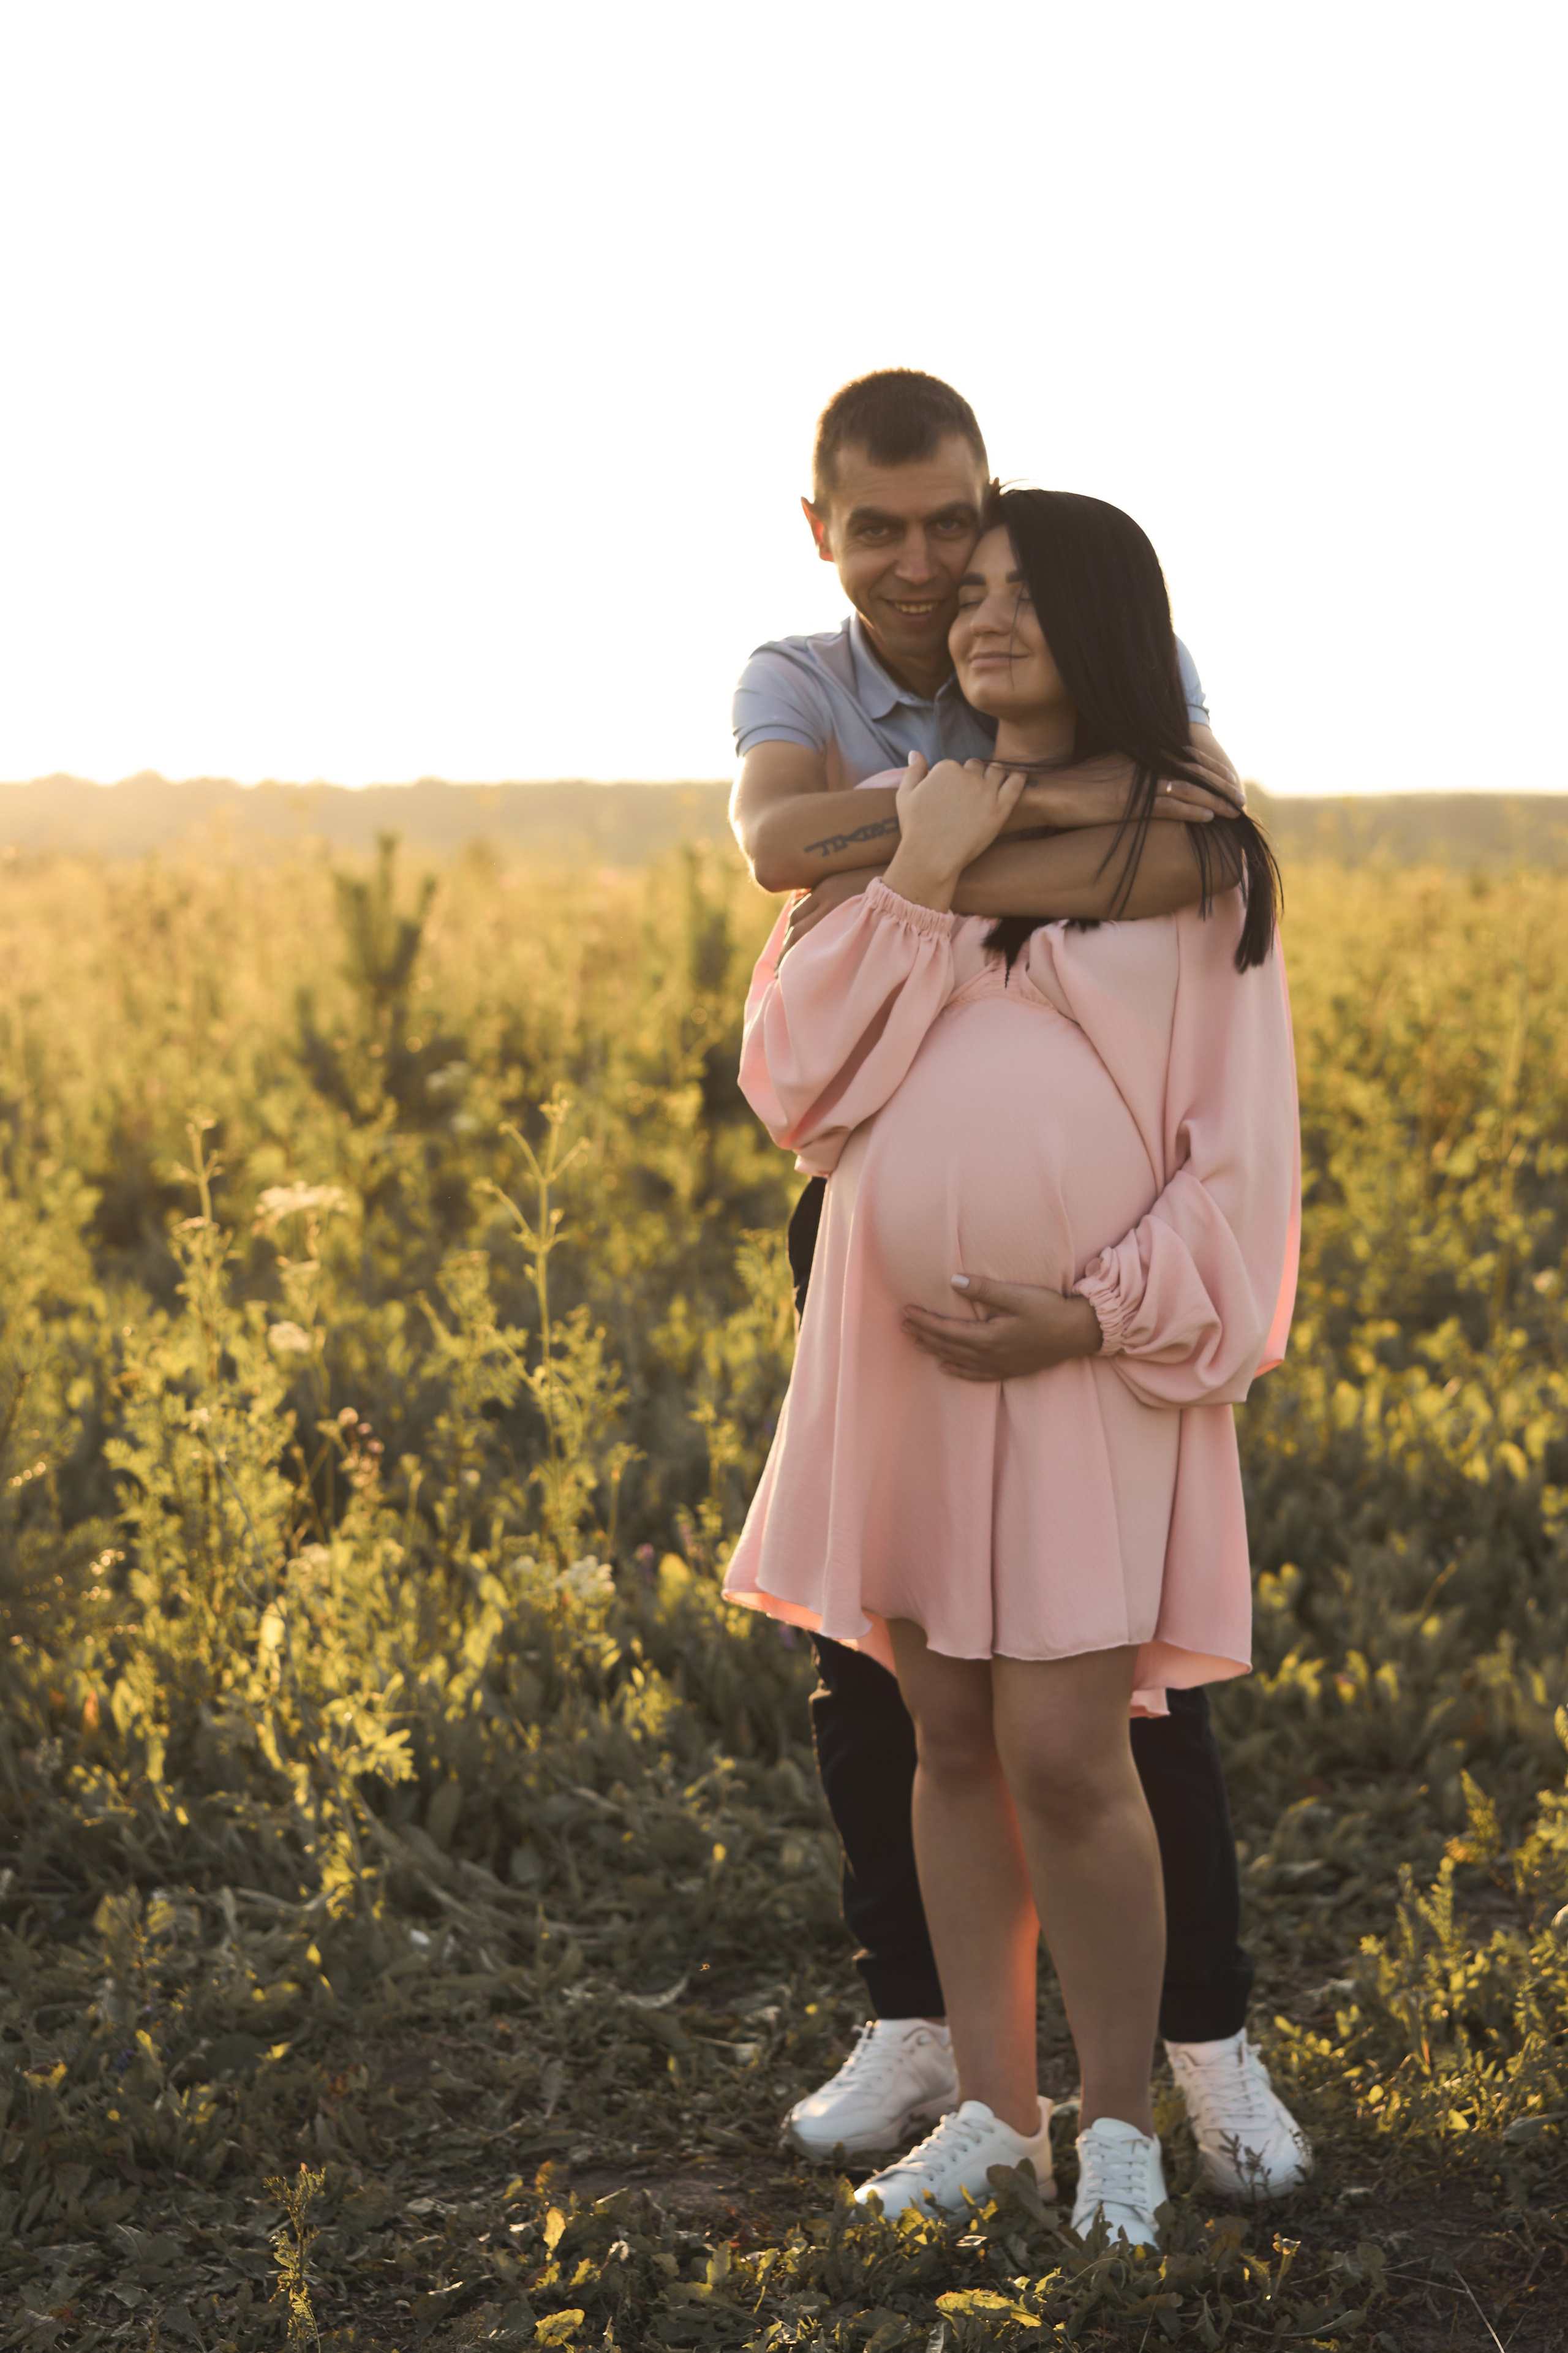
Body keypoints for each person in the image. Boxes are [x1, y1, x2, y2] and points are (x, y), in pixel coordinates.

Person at [729, 371, 1311, 2204]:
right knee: (936, 1723)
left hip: (1083, 1352)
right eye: (946, 583)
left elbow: (1234, 1144)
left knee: (1091, 1735)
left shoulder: (1196, 845)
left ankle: (1148, 2096)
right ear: (832, 534)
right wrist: (920, 869)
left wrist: (1099, 1308)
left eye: (1007, 588)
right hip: (890, 1344)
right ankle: (988, 2095)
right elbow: (795, 1072)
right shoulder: (836, 727)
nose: (965, 605)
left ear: (1107, 630)